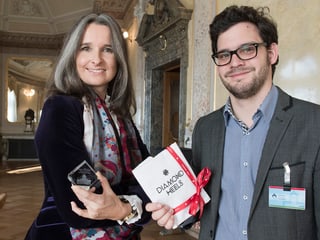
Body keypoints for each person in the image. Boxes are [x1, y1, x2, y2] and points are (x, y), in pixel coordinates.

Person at [146, 5, 320, 240]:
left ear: (272, 53)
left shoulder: (313, 123)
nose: (234, 62)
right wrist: (175, 210)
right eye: (224, 54)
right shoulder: (205, 129)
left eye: (247, 49)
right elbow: (201, 205)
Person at [25, 13, 150, 240]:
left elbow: (151, 182)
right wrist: (134, 206)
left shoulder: (121, 115)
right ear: (73, 55)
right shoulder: (60, 109)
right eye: (86, 48)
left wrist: (128, 207)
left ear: (119, 59)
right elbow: (82, 204)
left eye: (108, 49)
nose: (97, 59)